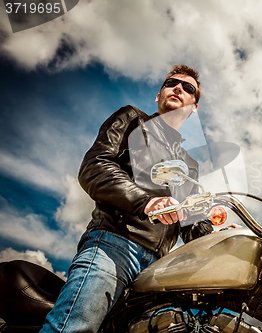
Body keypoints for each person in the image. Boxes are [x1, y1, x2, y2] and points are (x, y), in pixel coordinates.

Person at [41, 65, 213, 333]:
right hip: (115, 242)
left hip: (160, 266)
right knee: (72, 329)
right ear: (159, 95)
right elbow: (95, 166)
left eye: (188, 88)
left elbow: (190, 218)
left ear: (194, 106)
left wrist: (220, 236)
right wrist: (145, 201)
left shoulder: (189, 164)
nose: (178, 88)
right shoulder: (132, 120)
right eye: (171, 83)